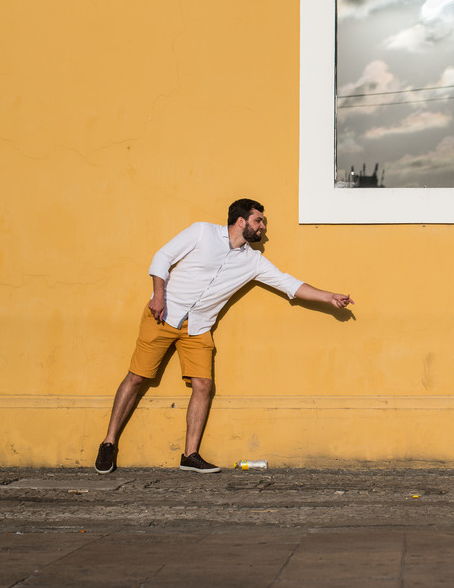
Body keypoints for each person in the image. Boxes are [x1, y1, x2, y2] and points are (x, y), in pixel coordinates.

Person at [94, 198, 353, 474]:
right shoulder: (202, 232)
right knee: (137, 377)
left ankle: (189, 455)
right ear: (241, 221)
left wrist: (329, 297)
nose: (263, 227)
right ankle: (109, 442)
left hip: (199, 326)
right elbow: (162, 257)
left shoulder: (253, 261)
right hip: (164, 313)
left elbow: (289, 283)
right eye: (259, 221)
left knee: (203, 385)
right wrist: (158, 295)